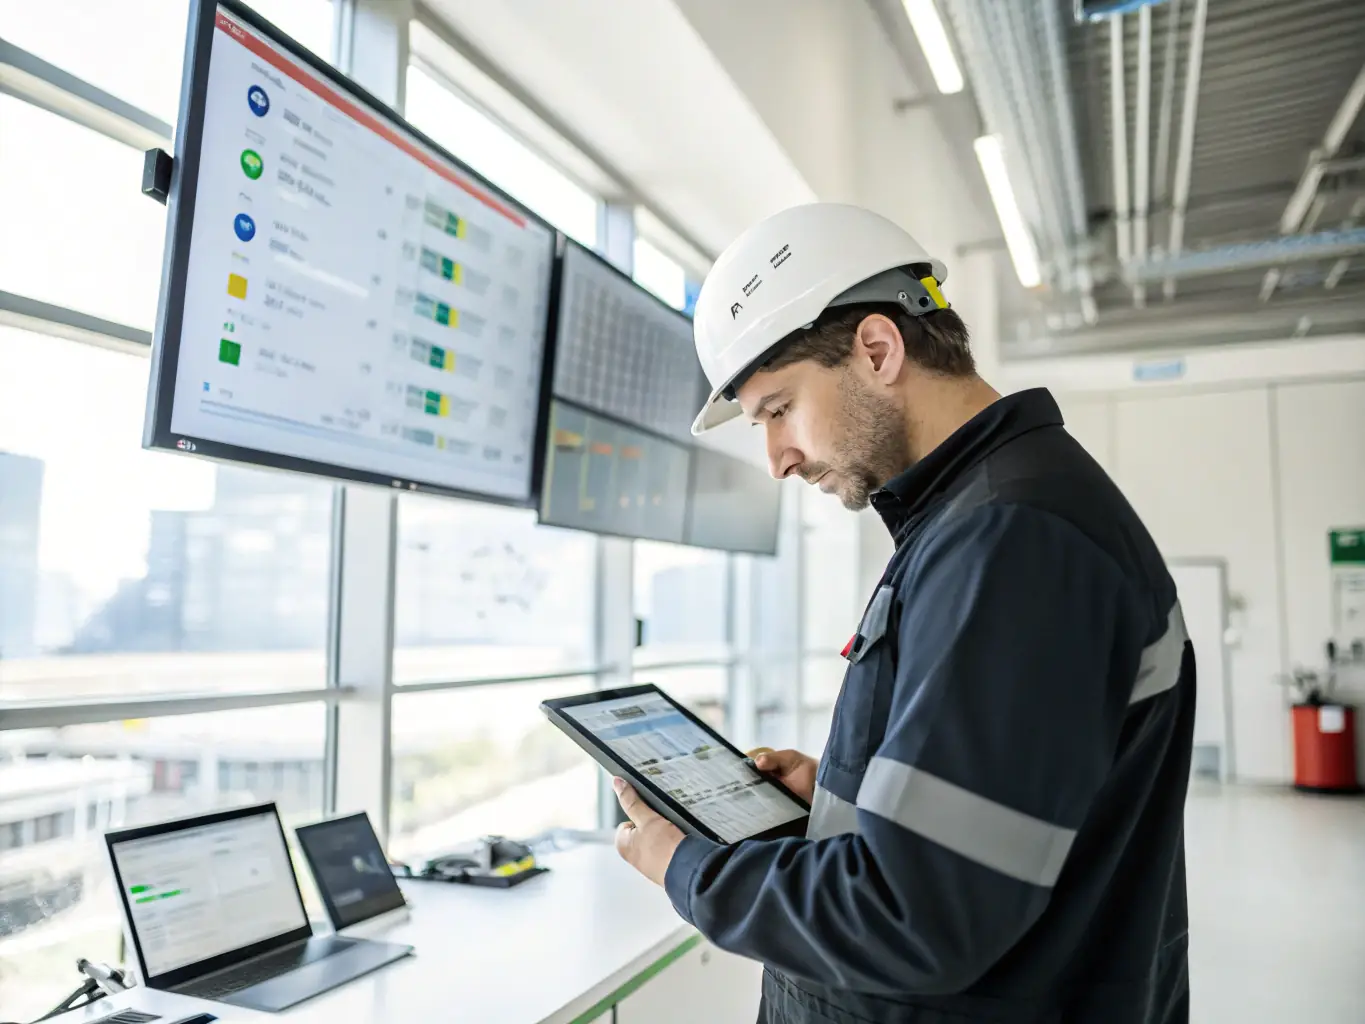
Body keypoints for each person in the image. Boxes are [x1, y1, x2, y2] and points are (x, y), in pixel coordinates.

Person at [610, 203, 1194, 1023]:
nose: (775, 459)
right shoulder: (987, 515)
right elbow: (1004, 816)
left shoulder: (1010, 542)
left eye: (777, 410)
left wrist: (687, 867)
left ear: (878, 350)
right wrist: (836, 801)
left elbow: (916, 919)